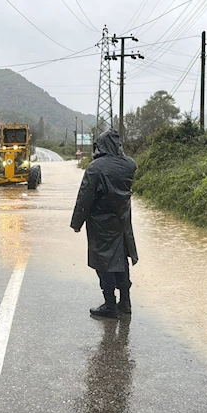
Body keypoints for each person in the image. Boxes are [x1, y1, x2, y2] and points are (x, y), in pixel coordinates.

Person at [70, 128, 138, 318]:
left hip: (101, 223)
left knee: (104, 263)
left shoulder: (96, 168)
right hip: (122, 222)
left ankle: (110, 305)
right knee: (121, 260)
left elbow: (85, 197)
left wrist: (77, 222)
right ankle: (125, 302)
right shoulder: (129, 164)